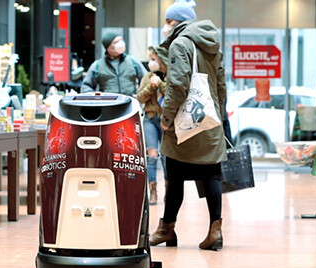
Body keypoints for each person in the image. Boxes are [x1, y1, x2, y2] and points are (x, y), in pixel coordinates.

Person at [149, 0, 228, 250]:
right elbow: (221, 84)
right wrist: (218, 114)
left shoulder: (180, 43)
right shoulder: (212, 43)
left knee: (175, 175)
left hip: (185, 122)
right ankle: (215, 231)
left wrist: (166, 118)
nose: (165, 26)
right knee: (212, 175)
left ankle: (166, 229)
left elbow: (178, 85)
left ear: (174, 22)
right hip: (210, 119)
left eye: (167, 21)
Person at [137, 46, 169, 205]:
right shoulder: (147, 76)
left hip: (167, 121)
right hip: (150, 118)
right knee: (152, 154)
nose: (151, 63)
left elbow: (174, 95)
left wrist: (161, 84)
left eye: (154, 59)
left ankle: (169, 191)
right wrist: (152, 86)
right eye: (150, 59)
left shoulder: (170, 75)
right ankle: (153, 190)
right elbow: (140, 98)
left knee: (166, 156)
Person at [81, 32, 147, 96]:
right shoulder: (97, 65)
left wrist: (141, 95)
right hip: (109, 103)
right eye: (116, 42)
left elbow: (146, 80)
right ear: (108, 47)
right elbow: (86, 87)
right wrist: (94, 96)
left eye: (121, 40)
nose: (121, 43)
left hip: (129, 102)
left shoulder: (133, 61)